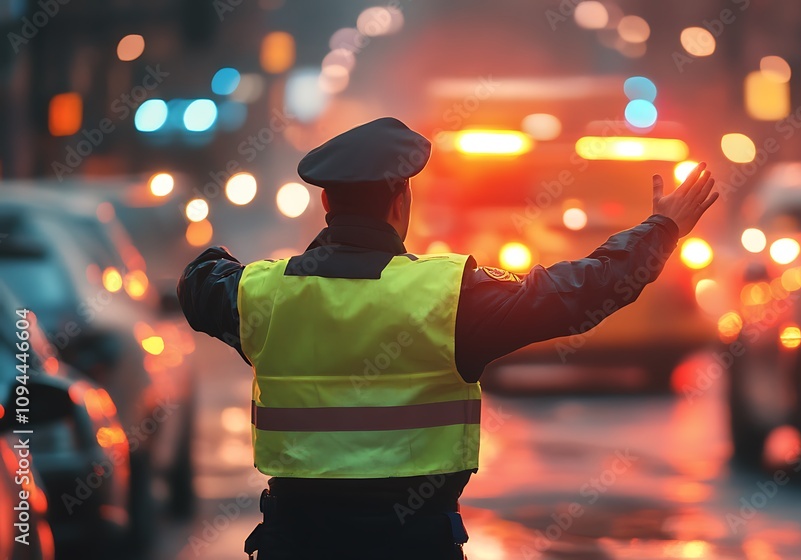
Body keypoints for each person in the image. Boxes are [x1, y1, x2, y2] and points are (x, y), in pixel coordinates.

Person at [177, 117, 718, 559]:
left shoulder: (263, 296)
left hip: (296, 545)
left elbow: (199, 281)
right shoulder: (450, 296)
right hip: (414, 545)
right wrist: (660, 230)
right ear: (399, 201)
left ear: (326, 205)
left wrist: (251, 263)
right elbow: (578, 293)